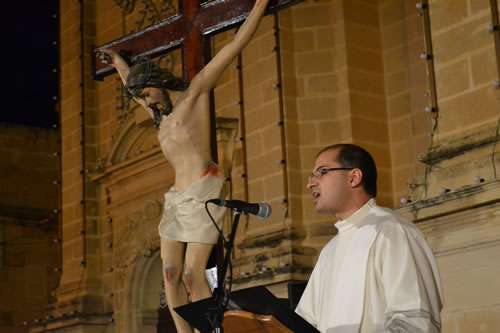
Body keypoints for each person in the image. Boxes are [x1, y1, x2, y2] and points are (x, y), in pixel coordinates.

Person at [100, 0, 270, 331]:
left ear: (159, 81)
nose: (145, 102)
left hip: (204, 187)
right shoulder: (159, 117)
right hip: (177, 197)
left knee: (193, 273)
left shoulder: (193, 96)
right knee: (169, 273)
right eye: (141, 97)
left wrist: (260, 5)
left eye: (147, 94)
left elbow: (234, 46)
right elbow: (130, 85)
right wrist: (119, 62)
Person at [295, 144, 444, 333]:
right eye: (312, 176)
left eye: (322, 172)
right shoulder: (329, 250)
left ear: (354, 177)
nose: (311, 183)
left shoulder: (392, 232)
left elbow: (414, 322)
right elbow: (305, 323)